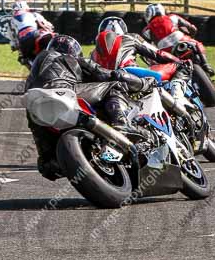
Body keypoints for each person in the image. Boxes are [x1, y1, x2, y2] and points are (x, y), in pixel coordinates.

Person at [26, 35, 153, 181]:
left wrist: (46, 158)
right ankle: (121, 123)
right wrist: (143, 83)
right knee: (115, 86)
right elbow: (110, 75)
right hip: (65, 91)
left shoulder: (34, 71)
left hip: (38, 106)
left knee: (46, 156)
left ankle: (52, 160)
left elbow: (35, 129)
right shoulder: (72, 59)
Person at [91, 17, 192, 109]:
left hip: (103, 84)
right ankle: (178, 98)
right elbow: (158, 54)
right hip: (131, 74)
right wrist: (177, 60)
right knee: (183, 65)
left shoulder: (93, 53)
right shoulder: (131, 37)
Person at [141, 3, 215, 76]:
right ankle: (206, 64)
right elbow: (193, 28)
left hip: (166, 51)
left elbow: (146, 48)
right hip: (182, 40)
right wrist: (191, 37)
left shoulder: (146, 30)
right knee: (197, 44)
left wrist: (152, 61)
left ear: (149, 15)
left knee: (162, 66)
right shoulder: (172, 17)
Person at [10, 0, 55, 67]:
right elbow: (49, 26)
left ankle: (33, 68)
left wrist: (14, 46)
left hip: (24, 41)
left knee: (23, 58)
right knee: (54, 42)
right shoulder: (34, 14)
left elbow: (13, 38)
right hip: (37, 35)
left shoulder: (12, 20)